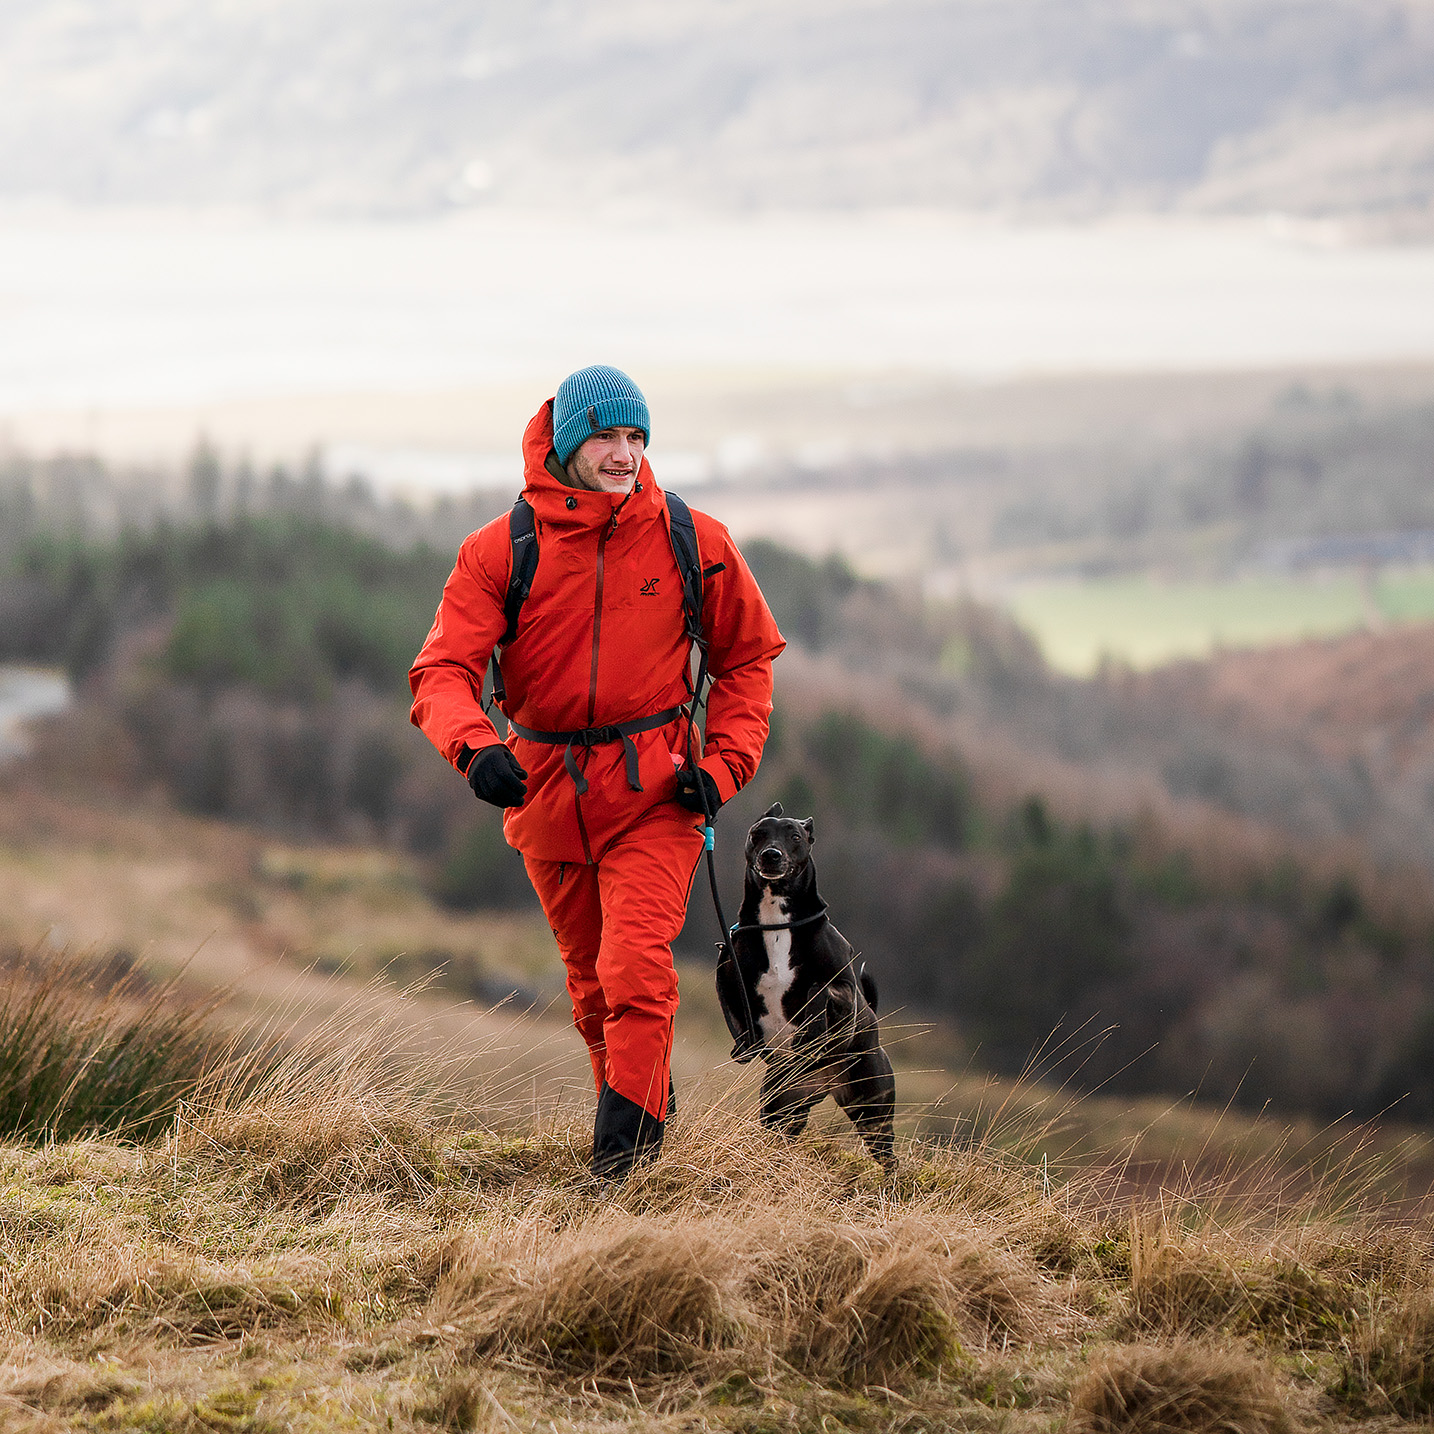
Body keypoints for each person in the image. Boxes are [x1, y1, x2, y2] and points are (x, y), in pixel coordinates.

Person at [409, 366, 785, 1180]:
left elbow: (748, 659)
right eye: (607, 437)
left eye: (636, 437)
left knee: (633, 967)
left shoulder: (694, 540)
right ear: (568, 442)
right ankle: (646, 1106)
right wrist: (476, 749)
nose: (624, 454)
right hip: (544, 795)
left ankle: (627, 1166)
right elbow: (440, 670)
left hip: (657, 793)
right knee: (588, 989)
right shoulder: (501, 549)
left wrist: (722, 767)